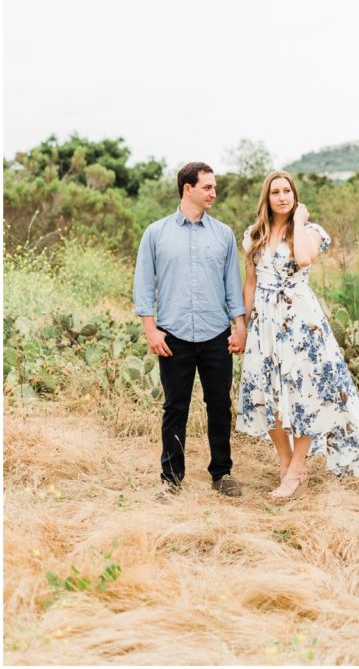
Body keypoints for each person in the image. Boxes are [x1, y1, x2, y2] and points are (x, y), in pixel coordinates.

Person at [236, 170, 359, 499]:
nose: (282, 196)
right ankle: (287, 465)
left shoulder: (311, 231)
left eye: (287, 191)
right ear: (267, 197)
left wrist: (299, 222)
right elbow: (250, 283)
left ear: (295, 195)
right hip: (264, 323)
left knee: (306, 393)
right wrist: (242, 325)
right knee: (266, 392)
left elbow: (304, 258)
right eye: (275, 192)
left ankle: (299, 467)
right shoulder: (253, 234)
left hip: (301, 323)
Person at [133, 162, 247, 498]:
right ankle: (171, 479)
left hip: (215, 334)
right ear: (188, 189)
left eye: (214, 187)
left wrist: (239, 328)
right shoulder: (156, 233)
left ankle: (221, 473)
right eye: (208, 187)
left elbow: (233, 286)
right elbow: (143, 285)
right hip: (173, 335)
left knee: (220, 405)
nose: (214, 193)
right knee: (175, 408)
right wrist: (151, 331)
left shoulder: (223, 234)